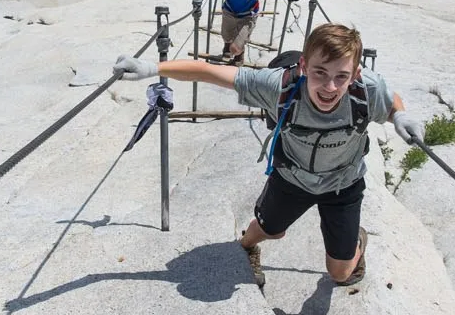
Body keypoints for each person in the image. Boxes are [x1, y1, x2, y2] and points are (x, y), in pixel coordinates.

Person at [113, 23, 424, 286]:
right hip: (291, 178)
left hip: (343, 185)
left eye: (341, 76)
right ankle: (247, 247)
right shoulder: (277, 86)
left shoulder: (366, 89)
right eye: (319, 73)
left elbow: (389, 98)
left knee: (341, 274)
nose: (330, 86)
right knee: (265, 232)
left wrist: (399, 116)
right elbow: (210, 72)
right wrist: (152, 68)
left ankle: (354, 240)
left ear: (356, 73)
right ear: (303, 66)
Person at [209, 0, 296, 65]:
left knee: (235, 48)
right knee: (226, 35)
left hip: (247, 15)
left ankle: (239, 54)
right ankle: (227, 46)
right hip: (229, 10)